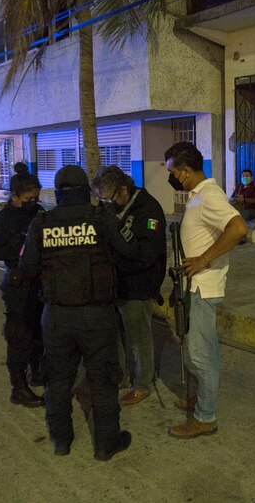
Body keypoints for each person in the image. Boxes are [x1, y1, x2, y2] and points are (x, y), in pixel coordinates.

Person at [19, 164, 138, 461]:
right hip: (97, 315)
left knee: (58, 380)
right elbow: (128, 253)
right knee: (103, 380)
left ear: (58, 193)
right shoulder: (102, 217)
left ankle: (62, 441)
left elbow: (27, 269)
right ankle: (105, 444)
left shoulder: (42, 223)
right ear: (86, 190)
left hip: (57, 316)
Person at [164, 141, 247, 439]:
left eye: (173, 172)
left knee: (201, 355)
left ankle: (205, 417)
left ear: (186, 172)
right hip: (195, 285)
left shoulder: (209, 196)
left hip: (203, 286)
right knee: (203, 350)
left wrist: (202, 259)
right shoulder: (199, 196)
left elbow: (238, 229)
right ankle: (201, 399)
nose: (172, 177)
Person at [91, 165, 167, 407]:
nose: (107, 205)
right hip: (116, 284)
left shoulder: (148, 209)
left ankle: (143, 383)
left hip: (138, 285)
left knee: (138, 338)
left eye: (109, 199)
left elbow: (146, 254)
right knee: (118, 336)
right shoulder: (115, 209)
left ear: (123, 189)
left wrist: (118, 237)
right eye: (102, 201)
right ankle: (123, 376)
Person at [0, 164, 45, 408]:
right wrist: (23, 248)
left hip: (39, 283)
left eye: (36, 197)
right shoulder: (3, 220)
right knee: (19, 335)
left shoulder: (38, 212)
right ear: (15, 197)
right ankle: (18, 387)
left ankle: (37, 371)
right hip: (18, 284)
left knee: (38, 332)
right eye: (28, 198)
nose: (33, 202)